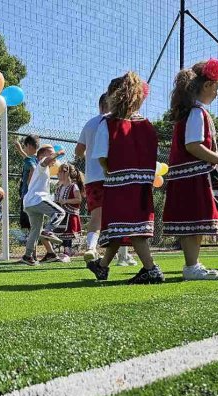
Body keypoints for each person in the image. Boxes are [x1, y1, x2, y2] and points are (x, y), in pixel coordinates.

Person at [87, 72, 164, 284]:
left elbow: (102, 155)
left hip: (118, 183)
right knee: (119, 227)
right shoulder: (146, 125)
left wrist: (108, 170)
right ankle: (102, 266)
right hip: (142, 184)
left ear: (114, 96)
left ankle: (151, 269)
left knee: (129, 227)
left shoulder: (109, 123)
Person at [162, 59, 218, 281]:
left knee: (192, 224)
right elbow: (193, 145)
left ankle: (192, 264)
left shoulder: (190, 113)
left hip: (188, 176)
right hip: (193, 177)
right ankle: (191, 266)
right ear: (206, 86)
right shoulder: (196, 113)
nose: (217, 93)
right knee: (194, 223)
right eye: (217, 87)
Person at [75, 94, 137, 266]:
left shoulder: (89, 124)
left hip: (93, 178)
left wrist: (90, 156)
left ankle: (91, 247)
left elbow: (78, 151)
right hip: (114, 176)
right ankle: (123, 256)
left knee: (96, 217)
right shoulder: (116, 123)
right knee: (121, 217)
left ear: (100, 105)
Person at [20, 144, 66, 266]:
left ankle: (27, 256)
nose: (53, 157)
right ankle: (48, 231)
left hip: (29, 203)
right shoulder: (41, 164)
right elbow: (46, 160)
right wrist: (58, 153)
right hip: (37, 199)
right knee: (60, 212)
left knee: (35, 230)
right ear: (41, 156)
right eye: (50, 153)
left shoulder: (42, 171)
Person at [54, 164, 84, 258]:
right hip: (61, 214)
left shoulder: (73, 186)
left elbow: (78, 199)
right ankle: (65, 251)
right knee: (61, 232)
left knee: (68, 234)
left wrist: (66, 201)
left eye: (59, 172)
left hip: (70, 214)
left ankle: (68, 250)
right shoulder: (59, 187)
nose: (57, 174)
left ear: (66, 173)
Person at [15, 134, 40, 236]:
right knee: (35, 225)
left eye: (25, 147)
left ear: (29, 146)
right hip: (36, 196)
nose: (24, 149)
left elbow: (32, 168)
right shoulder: (38, 159)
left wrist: (29, 184)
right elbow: (28, 159)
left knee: (30, 224)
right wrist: (20, 150)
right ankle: (34, 251)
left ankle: (31, 250)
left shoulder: (31, 161)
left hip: (27, 196)